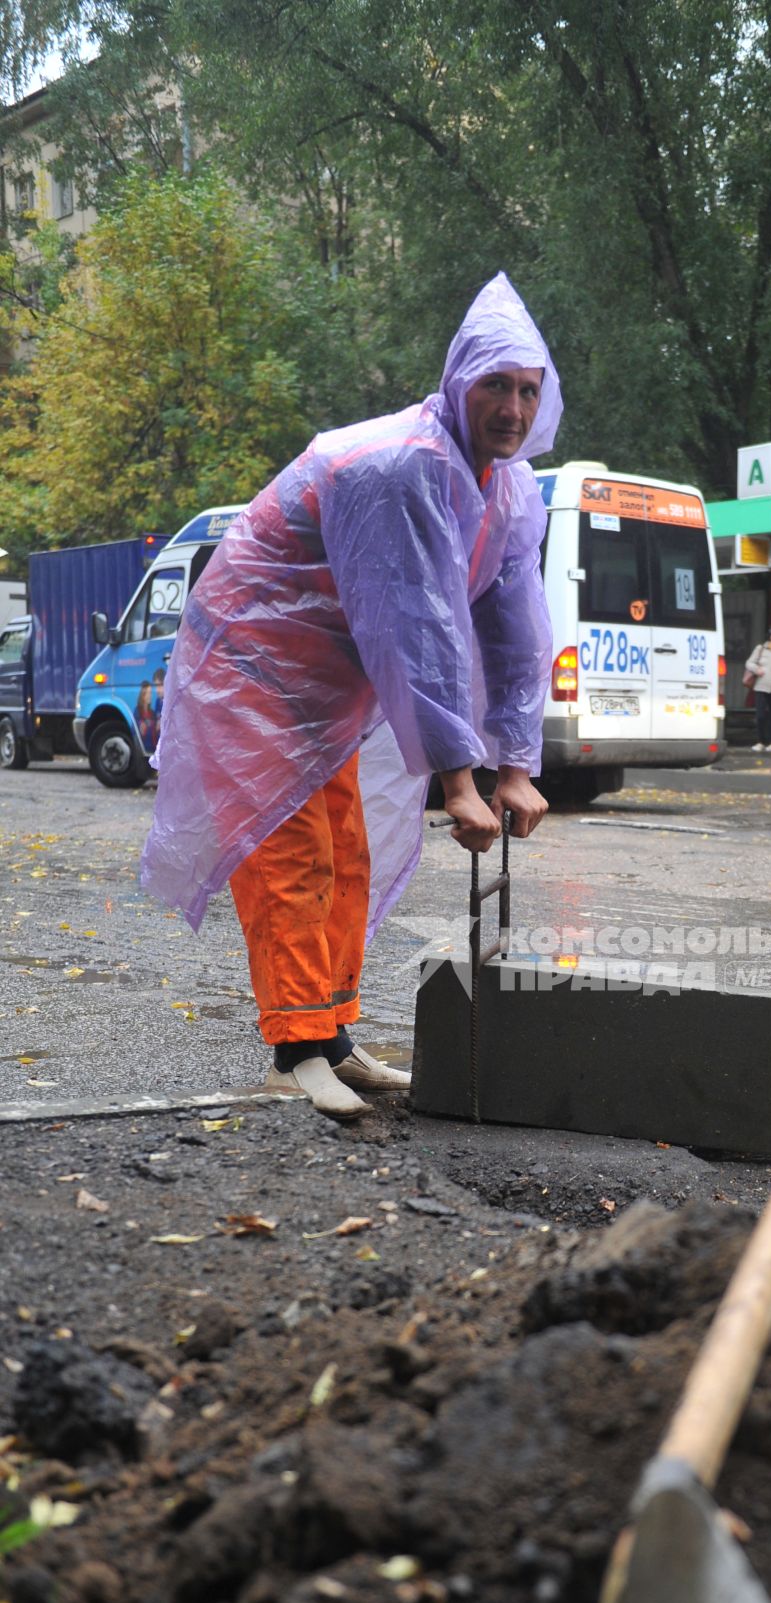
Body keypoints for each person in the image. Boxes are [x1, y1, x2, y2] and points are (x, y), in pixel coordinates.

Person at [140, 273, 562, 1118]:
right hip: (256, 667)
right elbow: (413, 622)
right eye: (496, 386)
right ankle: (293, 1051)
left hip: (326, 679)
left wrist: (515, 762)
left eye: (528, 389)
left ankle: (330, 1036)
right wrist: (456, 781)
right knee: (295, 859)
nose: (512, 407)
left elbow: (516, 625)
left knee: (347, 855)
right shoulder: (398, 466)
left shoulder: (507, 488)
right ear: (458, 384)